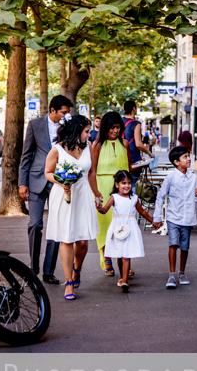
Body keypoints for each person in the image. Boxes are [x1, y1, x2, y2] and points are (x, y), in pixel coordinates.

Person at [18, 95, 73, 284]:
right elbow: (26, 155)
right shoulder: (34, 124)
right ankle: (33, 269)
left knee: (55, 226)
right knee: (35, 224)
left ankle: (49, 272)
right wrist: (22, 183)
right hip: (36, 180)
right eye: (64, 112)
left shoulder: (68, 127)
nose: (66, 115)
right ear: (53, 111)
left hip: (59, 180)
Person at [44, 114, 99, 300]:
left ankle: (77, 268)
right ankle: (68, 283)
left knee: (82, 241)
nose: (89, 135)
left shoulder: (88, 147)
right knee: (67, 239)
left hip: (83, 193)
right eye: (86, 131)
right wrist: (61, 181)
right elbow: (48, 172)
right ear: (77, 131)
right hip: (64, 194)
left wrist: (97, 193)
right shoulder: (57, 149)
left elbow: (91, 172)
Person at [97, 170, 153, 292]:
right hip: (118, 228)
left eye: (128, 183)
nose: (126, 186)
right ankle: (122, 277)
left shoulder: (134, 198)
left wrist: (152, 221)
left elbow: (142, 211)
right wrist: (99, 207)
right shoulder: (114, 197)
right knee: (120, 253)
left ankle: (125, 281)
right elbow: (105, 210)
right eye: (123, 183)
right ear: (117, 184)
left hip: (130, 227)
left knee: (126, 255)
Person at [89, 111, 131, 274]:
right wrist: (96, 192)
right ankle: (107, 258)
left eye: (118, 127)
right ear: (105, 127)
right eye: (111, 127)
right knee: (105, 224)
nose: (115, 131)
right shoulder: (97, 146)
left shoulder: (125, 144)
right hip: (103, 187)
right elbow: (91, 171)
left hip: (122, 188)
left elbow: (129, 168)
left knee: (123, 223)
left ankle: (124, 261)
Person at [153, 146, 197, 289]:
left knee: (185, 246)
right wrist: (157, 217)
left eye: (188, 156)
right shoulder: (170, 177)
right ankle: (172, 274)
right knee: (173, 244)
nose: (188, 159)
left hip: (188, 217)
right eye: (185, 157)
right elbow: (161, 196)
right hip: (173, 216)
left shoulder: (194, 178)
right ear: (176, 162)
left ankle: (182, 272)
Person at [122, 100, 154, 184]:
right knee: (132, 183)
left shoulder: (120, 121)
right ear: (133, 109)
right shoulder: (136, 124)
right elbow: (138, 144)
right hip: (133, 158)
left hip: (120, 155)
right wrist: (150, 153)